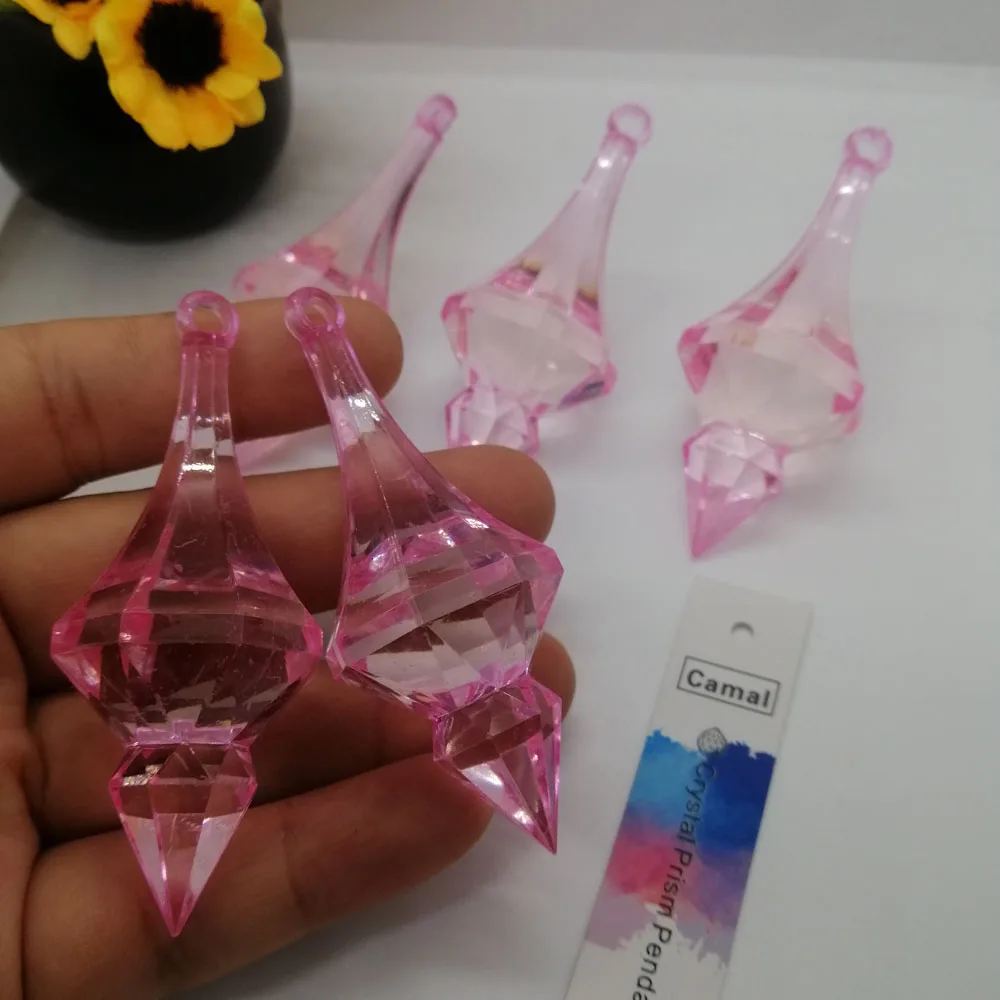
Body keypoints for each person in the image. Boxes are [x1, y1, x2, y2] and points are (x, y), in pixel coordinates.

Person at [0, 297, 575, 999]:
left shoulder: (129, 664)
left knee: (236, 452)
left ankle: (268, 355)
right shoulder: (503, 593)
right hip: (261, 618)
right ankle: (282, 353)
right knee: (233, 452)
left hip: (218, 625)